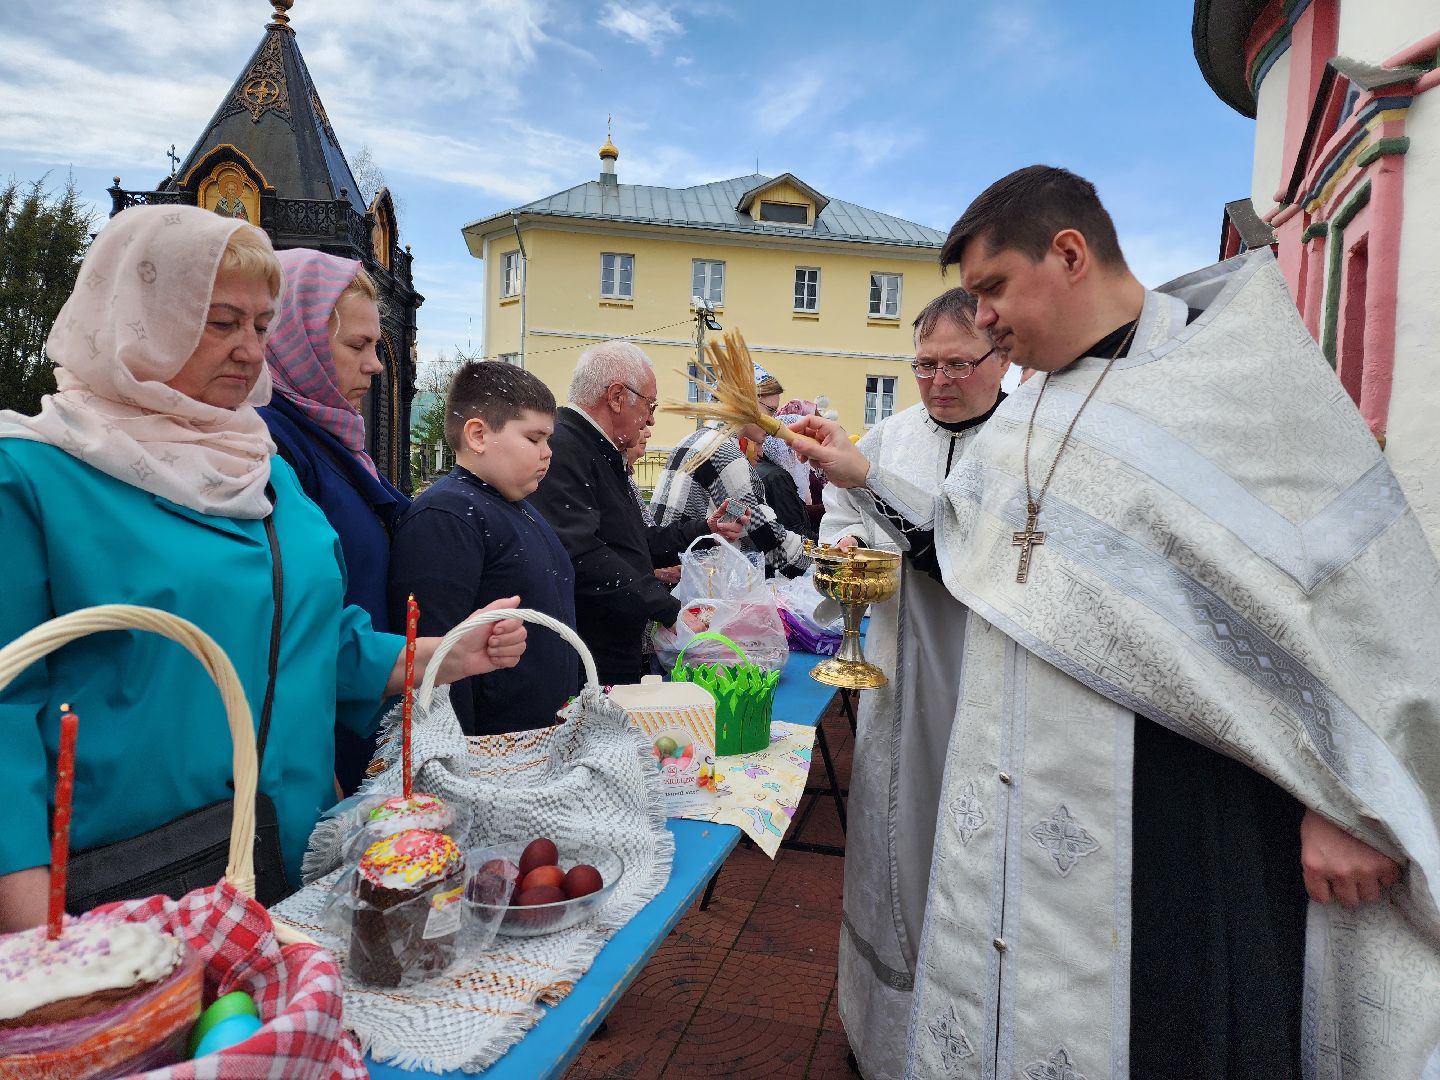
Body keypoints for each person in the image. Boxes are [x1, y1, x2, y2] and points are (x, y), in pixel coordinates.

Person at [790, 166, 1440, 1080]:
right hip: (1019, 797)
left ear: (1068, 253)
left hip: (1177, 810)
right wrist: (863, 478)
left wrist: (1348, 803)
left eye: (992, 291)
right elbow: (968, 552)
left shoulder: (1236, 381)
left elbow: (1358, 603)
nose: (982, 322)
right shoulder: (1030, 413)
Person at [0, 205, 526, 931]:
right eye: (220, 323)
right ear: (140, 316)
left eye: (260, 325)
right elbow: (5, 712)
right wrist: (36, 937)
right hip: (121, 884)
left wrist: (443, 654)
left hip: (287, 853)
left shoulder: (264, 470)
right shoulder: (33, 476)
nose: (250, 350)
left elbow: (316, 641)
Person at [818, 287, 1006, 1080]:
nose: (938, 380)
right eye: (924, 364)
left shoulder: (1025, 443)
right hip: (896, 678)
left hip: (989, 682)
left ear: (1002, 360)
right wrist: (849, 545)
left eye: (958, 363)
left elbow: (980, 548)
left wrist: (870, 484)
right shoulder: (888, 436)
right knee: (892, 842)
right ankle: (885, 1040)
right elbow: (837, 519)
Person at [258, 248, 407, 792]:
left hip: (362, 708)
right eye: (357, 345)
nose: (375, 364)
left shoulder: (337, 440)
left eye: (376, 345)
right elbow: (293, 618)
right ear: (298, 341)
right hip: (316, 739)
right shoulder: (270, 442)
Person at [529, 341, 747, 686]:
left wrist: (703, 527)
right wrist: (665, 608)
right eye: (649, 404)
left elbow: (631, 541)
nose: (651, 418)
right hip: (589, 652)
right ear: (617, 397)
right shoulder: (566, 448)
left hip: (613, 642)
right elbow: (581, 552)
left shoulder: (598, 449)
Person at [388, 361, 578, 735]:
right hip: (488, 755)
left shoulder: (516, 508)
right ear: (477, 435)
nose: (547, 453)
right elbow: (436, 664)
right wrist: (460, 763)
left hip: (533, 746)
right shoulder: (446, 517)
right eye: (533, 438)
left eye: (548, 440)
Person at [650, 368, 810, 578]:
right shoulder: (724, 451)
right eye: (771, 411)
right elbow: (766, 533)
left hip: (668, 564)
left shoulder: (693, 439)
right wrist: (817, 556)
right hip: (689, 579)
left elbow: (738, 514)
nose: (775, 423)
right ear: (746, 404)